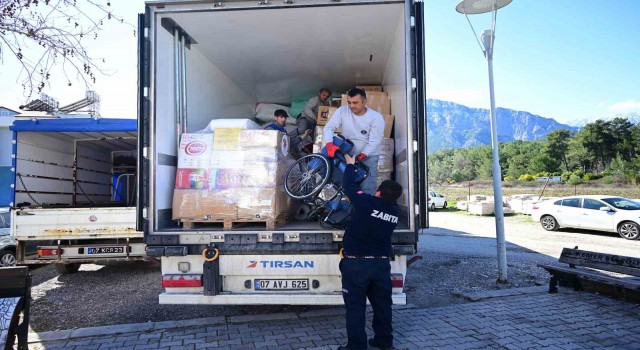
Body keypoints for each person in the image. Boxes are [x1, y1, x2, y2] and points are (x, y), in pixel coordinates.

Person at [338, 153, 402, 350]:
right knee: (382, 305)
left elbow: (349, 186)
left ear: (378, 192)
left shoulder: (366, 203)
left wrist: (350, 165)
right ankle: (384, 342)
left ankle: (357, 346)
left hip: (356, 265)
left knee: (356, 306)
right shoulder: (395, 213)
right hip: (380, 265)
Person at [323, 88, 385, 195]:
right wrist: (329, 144)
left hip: (369, 156)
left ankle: (365, 210)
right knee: (344, 183)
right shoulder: (342, 111)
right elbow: (329, 128)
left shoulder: (376, 118)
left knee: (367, 187)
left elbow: (375, 141)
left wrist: (363, 155)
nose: (351, 106)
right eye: (349, 102)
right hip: (347, 153)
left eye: (355, 103)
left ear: (364, 101)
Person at [294, 87, 332, 152]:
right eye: (323, 95)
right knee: (302, 129)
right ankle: (288, 136)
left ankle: (309, 150)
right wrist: (315, 118)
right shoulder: (315, 100)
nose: (325, 97)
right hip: (305, 118)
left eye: (327, 96)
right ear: (319, 94)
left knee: (317, 137)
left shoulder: (324, 103)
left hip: (313, 123)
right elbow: (307, 109)